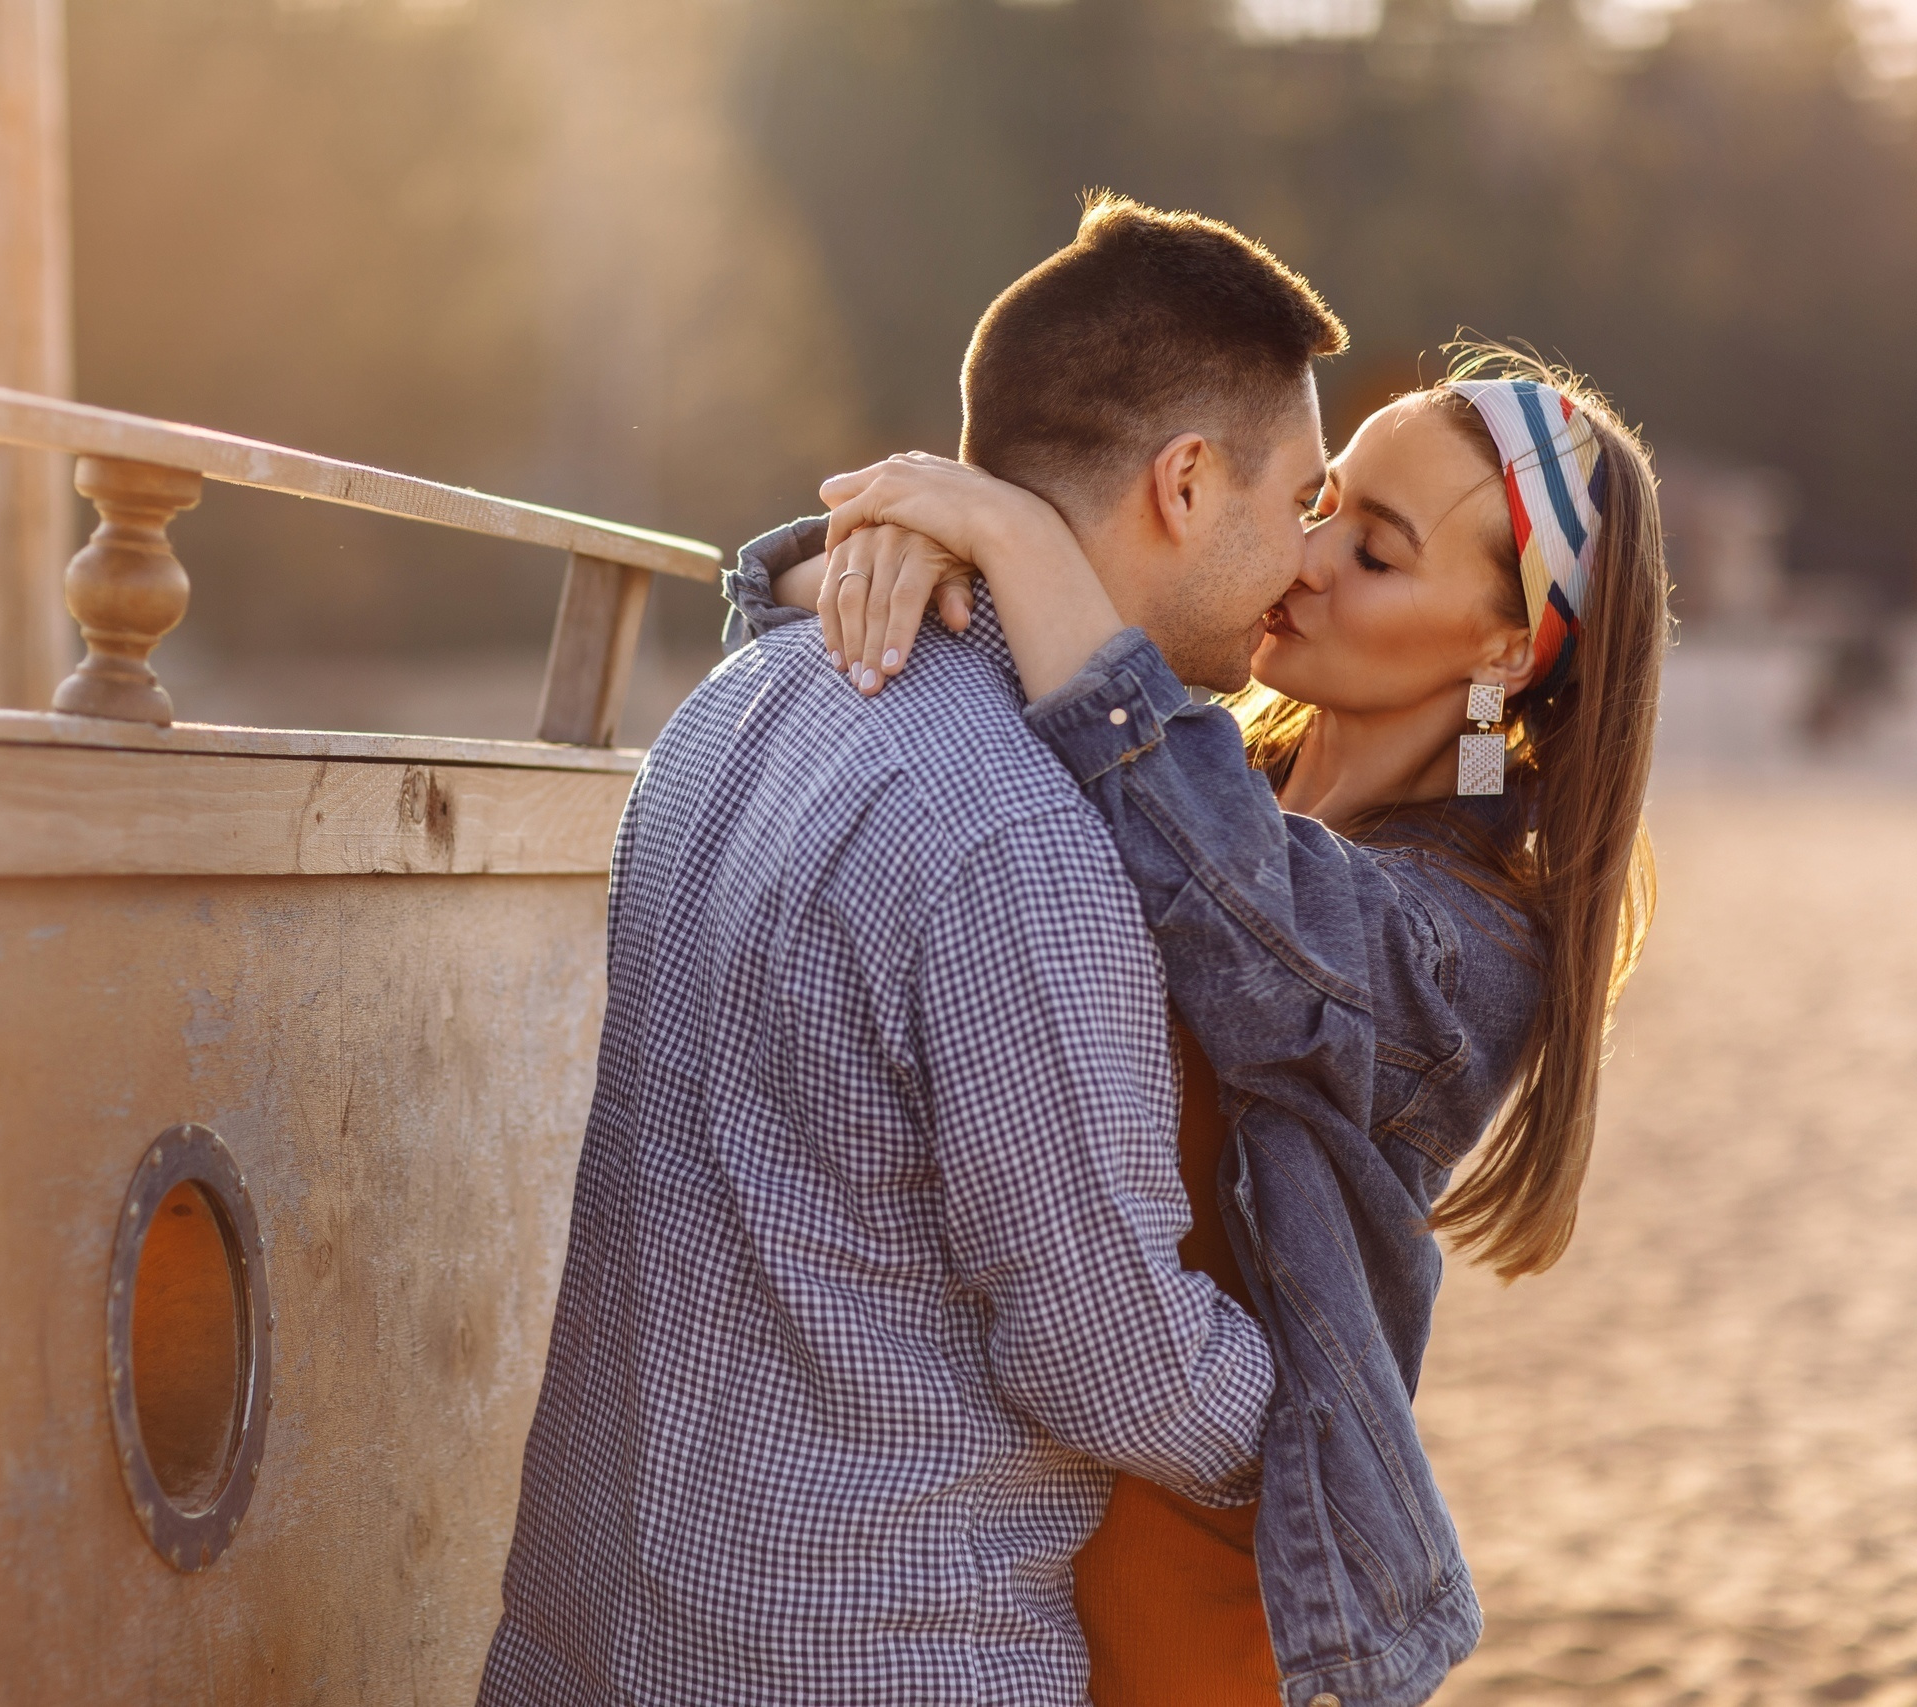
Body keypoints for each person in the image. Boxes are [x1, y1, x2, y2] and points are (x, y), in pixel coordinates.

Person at [477, 199, 1342, 1705]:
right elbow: (1113, 1360)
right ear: (1188, 485)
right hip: (877, 1655)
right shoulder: (1029, 845)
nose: (1311, 556)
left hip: (592, 1632)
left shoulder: (739, 706)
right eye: (1304, 497)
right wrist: (1342, 1440)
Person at [733, 341, 1669, 1703]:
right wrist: (884, 569)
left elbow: (1246, 920)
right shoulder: (1208, 749)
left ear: (1506, 650)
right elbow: (849, 682)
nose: (1304, 559)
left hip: (1208, 1557)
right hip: (994, 1512)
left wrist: (1008, 528)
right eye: (1324, 499)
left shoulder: (1468, 943)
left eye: (1380, 553)